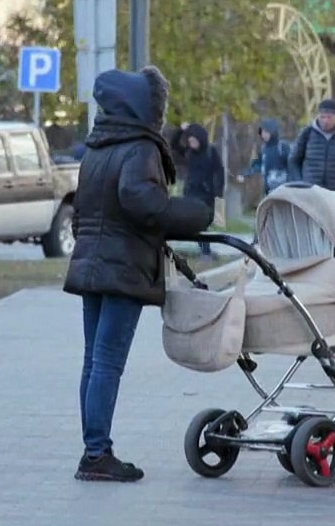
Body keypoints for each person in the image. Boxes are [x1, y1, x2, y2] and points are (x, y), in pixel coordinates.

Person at [64, 67, 213, 483]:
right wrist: (198, 212)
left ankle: (94, 449)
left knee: (93, 361)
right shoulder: (140, 149)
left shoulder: (97, 147)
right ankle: (97, 454)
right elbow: (142, 202)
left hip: (92, 263)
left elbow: (84, 209)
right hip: (123, 267)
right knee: (107, 363)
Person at [182, 123, 225, 258]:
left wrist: (218, 190)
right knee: (192, 223)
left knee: (203, 223)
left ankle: (206, 251)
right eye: (190, 141)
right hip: (191, 192)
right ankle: (204, 250)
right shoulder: (189, 153)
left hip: (206, 193)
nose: (192, 144)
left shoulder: (211, 152)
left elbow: (220, 171)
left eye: (194, 141)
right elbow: (174, 145)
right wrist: (182, 131)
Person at [238, 118, 291, 196]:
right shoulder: (263, 149)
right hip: (269, 190)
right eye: (262, 132)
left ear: (273, 132)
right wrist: (245, 174)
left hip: (284, 189)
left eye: (266, 132)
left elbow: (293, 165)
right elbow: (257, 165)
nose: (263, 135)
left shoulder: (283, 147)